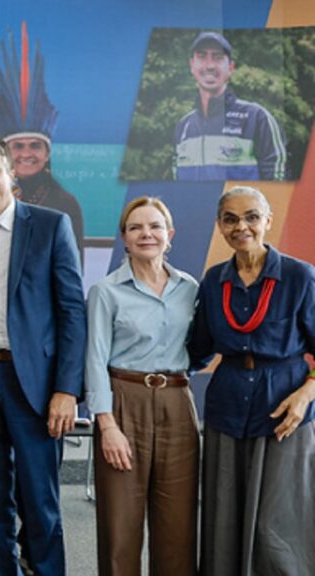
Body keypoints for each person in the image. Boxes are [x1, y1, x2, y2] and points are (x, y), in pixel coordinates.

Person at [0, 138, 86, 576]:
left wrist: (67, 389)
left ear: (10, 175)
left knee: (39, 499)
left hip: (36, 384)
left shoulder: (49, 225)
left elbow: (72, 311)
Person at [189, 185, 315, 575]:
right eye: (230, 219)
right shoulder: (214, 280)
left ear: (267, 221)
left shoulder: (300, 276)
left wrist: (305, 395)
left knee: (277, 522)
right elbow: (197, 348)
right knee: (224, 514)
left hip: (283, 409)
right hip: (227, 406)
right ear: (220, 226)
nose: (241, 226)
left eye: (251, 217)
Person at [85, 197, 199, 576]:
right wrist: (107, 425)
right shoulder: (105, 291)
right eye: (135, 228)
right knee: (121, 524)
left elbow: (199, 346)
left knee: (178, 525)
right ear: (124, 238)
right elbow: (95, 360)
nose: (146, 234)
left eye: (154, 226)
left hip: (177, 404)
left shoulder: (189, 288)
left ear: (170, 235)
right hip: (123, 403)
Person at [0, 24, 85, 260]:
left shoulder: (66, 204)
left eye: (35, 145)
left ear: (47, 153)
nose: (27, 153)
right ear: (5, 153)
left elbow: (73, 272)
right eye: (18, 146)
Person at [174, 31, 287, 181]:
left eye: (218, 57)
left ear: (231, 67)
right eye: (202, 57)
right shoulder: (183, 126)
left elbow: (277, 180)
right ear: (192, 66)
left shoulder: (257, 117)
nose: (210, 65)